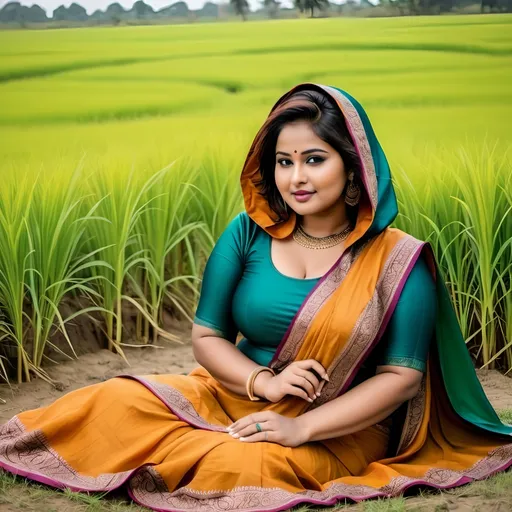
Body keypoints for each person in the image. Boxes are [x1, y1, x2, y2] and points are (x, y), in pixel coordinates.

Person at [1, 83, 511, 512]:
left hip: (335, 421)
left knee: (242, 465)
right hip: (232, 392)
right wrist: (263, 382)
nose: (296, 178)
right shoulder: (249, 233)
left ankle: (204, 454)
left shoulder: (397, 259)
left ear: (354, 167)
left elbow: (402, 380)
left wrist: (301, 426)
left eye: (314, 159)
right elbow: (207, 337)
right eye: (284, 162)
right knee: (110, 399)